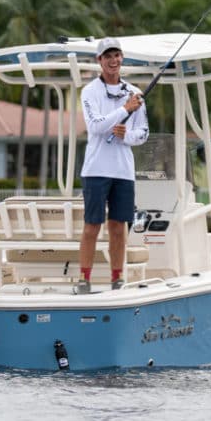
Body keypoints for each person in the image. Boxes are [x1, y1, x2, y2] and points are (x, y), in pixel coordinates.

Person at [77, 37, 149, 294]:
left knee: (119, 228)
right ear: (99, 60)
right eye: (107, 56)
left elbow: (143, 133)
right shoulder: (89, 92)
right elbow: (95, 126)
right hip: (96, 170)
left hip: (123, 172)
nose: (113, 60)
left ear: (122, 58)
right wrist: (123, 109)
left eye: (116, 55)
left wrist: (125, 136)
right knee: (91, 226)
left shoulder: (136, 94)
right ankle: (83, 279)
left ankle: (117, 279)